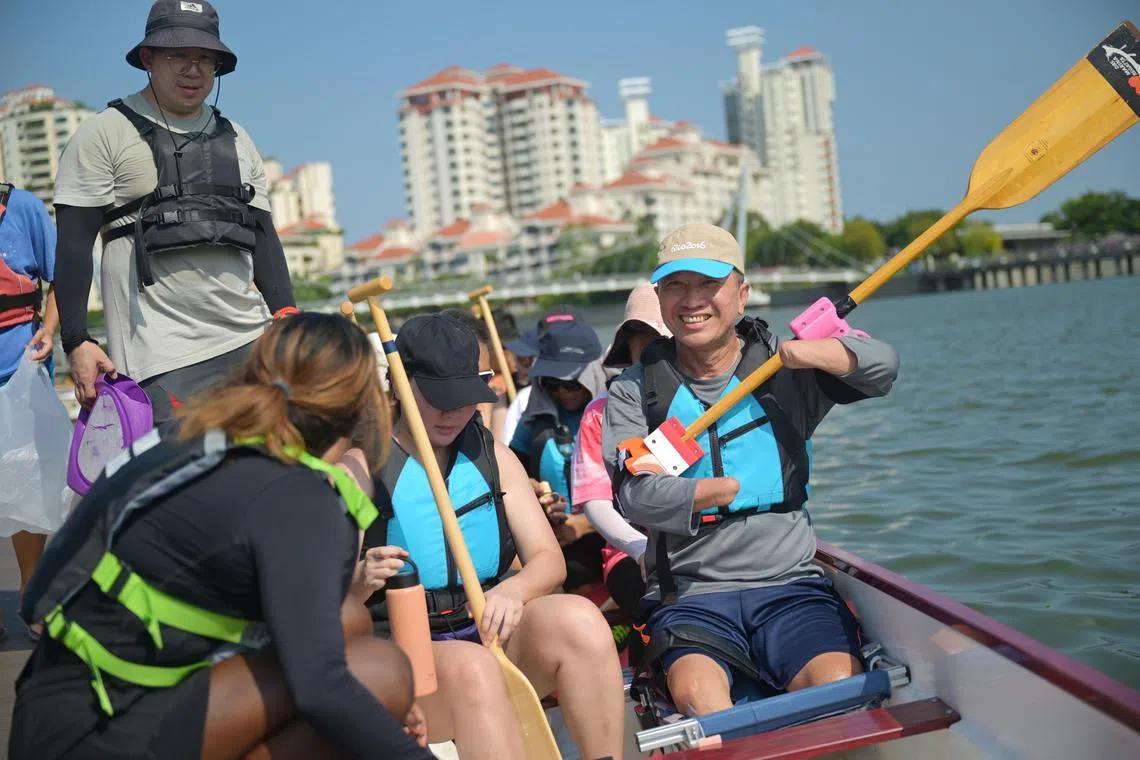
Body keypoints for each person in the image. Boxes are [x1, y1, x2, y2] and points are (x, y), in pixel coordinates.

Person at [10, 312, 432, 759]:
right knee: (382, 675)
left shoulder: (187, 436)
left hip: (46, 712)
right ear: (357, 408)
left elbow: (38, 597)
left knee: (349, 620)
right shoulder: (300, 499)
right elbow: (322, 689)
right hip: (106, 736)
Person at [601, 223, 900, 716]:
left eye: (708, 285)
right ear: (660, 297)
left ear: (741, 296)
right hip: (692, 598)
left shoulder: (785, 373)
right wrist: (703, 494)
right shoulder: (636, 390)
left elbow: (883, 367)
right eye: (676, 285)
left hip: (790, 585)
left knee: (836, 687)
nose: (691, 300)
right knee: (700, 697)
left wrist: (818, 352)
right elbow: (635, 495)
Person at [357, 313, 624, 760]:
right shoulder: (362, 465)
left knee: (581, 619)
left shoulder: (490, 453)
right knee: (474, 669)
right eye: (438, 398)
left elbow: (547, 558)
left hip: (488, 630)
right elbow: (321, 600)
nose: (453, 413)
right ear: (399, 385)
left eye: (464, 398)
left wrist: (516, 590)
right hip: (406, 657)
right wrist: (361, 577)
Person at [53, 0, 296, 430]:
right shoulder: (103, 133)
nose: (193, 70)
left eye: (205, 58)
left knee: (269, 476)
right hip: (161, 358)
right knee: (186, 485)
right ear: (148, 58)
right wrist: (76, 340)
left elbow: (263, 237)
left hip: (252, 342)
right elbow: (73, 244)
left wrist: (289, 319)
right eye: (178, 55)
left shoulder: (238, 138)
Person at [571, 283, 670, 663]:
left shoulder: (706, 400)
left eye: (660, 340)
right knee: (656, 603)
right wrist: (639, 547)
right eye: (640, 340)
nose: (651, 351)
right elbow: (596, 503)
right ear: (626, 348)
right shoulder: (599, 412)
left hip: (703, 544)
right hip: (631, 552)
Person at [509, 318, 609, 591]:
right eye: (552, 382)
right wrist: (531, 494)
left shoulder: (620, 414)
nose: (561, 392)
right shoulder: (535, 418)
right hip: (556, 542)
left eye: (571, 384)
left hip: (612, 542)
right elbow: (509, 472)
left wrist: (585, 524)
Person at [0, 183, 59, 642]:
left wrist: (52, 331)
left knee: (26, 477)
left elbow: (64, 278)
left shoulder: (21, 208)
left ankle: (31, 590)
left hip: (21, 364)